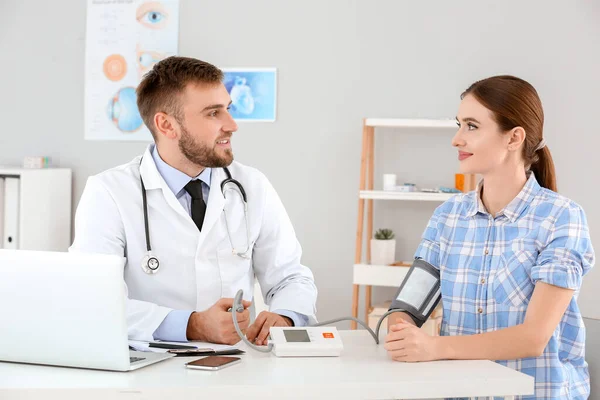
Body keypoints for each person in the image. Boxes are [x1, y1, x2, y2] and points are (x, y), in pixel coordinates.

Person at [70, 56, 317, 345]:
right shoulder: (108, 193)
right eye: (213, 113)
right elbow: (93, 300)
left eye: (228, 109)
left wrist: (286, 316)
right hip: (149, 371)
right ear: (166, 125)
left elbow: (290, 276)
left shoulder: (252, 186)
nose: (232, 125)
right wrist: (192, 325)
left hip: (237, 369)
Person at [384, 75, 594, 399]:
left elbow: (533, 338)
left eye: (471, 126)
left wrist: (433, 346)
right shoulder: (447, 217)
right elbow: (407, 307)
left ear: (514, 138)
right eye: (459, 124)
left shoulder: (561, 219)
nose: (456, 139)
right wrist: (401, 330)